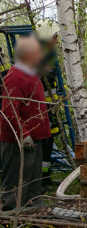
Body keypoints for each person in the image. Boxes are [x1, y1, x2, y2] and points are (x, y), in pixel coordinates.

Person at [1, 36, 50, 210]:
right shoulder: (15, 77)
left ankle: (33, 208)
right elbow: (9, 110)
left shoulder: (29, 75)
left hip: (34, 138)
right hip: (18, 141)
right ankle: (10, 215)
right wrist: (24, 133)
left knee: (33, 179)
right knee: (16, 178)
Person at [34, 19, 62, 190]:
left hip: (50, 106)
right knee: (42, 141)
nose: (57, 39)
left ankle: (46, 176)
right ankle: (38, 179)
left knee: (50, 139)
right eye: (55, 36)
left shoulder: (50, 54)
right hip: (39, 108)